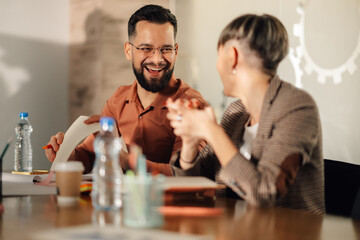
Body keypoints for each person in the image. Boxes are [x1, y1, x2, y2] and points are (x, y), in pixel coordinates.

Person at [166, 14, 325, 214]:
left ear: (232, 57)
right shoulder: (235, 113)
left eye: (218, 55)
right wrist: (190, 142)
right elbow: (194, 187)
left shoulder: (298, 107)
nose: (217, 66)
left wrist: (211, 131)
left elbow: (265, 193)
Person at [45, 4, 205, 175]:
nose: (157, 59)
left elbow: (187, 174)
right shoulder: (118, 99)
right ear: (129, 51)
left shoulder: (191, 104)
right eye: (146, 49)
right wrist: (67, 154)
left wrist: (125, 160)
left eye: (166, 49)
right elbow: (89, 155)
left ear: (176, 51)